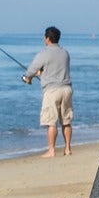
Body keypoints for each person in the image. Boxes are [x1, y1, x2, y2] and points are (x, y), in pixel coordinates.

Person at [22, 26, 73, 157]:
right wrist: (41, 73)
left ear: (48, 38)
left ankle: (51, 150)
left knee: (51, 122)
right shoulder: (65, 53)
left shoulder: (43, 53)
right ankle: (67, 149)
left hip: (52, 91)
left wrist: (28, 78)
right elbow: (55, 68)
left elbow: (30, 71)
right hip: (66, 89)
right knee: (66, 121)